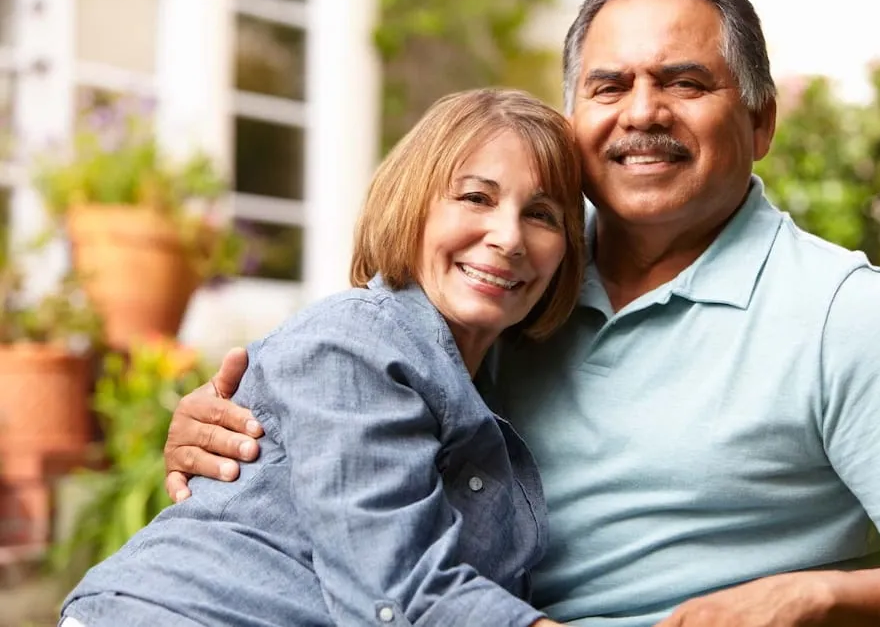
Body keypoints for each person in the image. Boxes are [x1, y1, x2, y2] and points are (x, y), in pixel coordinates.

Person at [163, 0, 880, 626]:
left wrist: (815, 599)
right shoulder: (509, 286)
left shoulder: (842, 318)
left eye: (685, 82)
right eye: (608, 86)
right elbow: (352, 391)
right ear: (574, 118)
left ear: (760, 122)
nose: (642, 112)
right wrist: (237, 423)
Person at [60, 88, 586, 627]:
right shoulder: (355, 341)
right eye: (477, 198)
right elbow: (398, 593)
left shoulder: (479, 381)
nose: (509, 237)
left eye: (542, 215)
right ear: (412, 204)